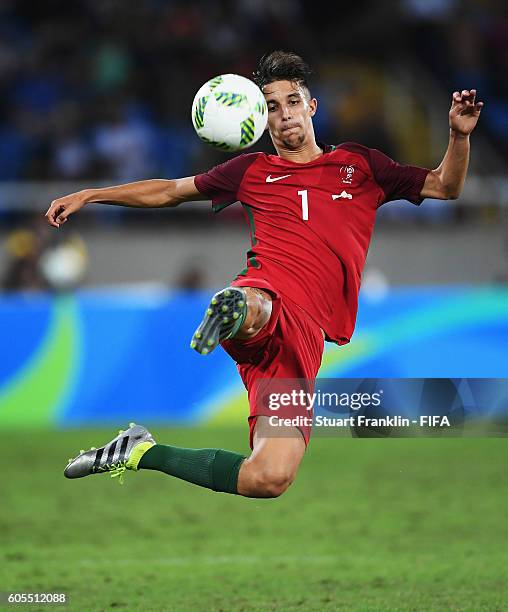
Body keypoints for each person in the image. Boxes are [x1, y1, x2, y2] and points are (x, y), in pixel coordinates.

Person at [46, 51, 483, 498]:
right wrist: (91, 194)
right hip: (269, 294)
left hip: (306, 340)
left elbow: (445, 186)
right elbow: (168, 191)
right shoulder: (251, 171)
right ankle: (236, 310)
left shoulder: (361, 166)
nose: (285, 113)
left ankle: (140, 451)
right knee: (258, 302)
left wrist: (457, 135)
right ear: (260, 118)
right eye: (272, 106)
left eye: (292, 101)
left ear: (311, 107)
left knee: (269, 478)